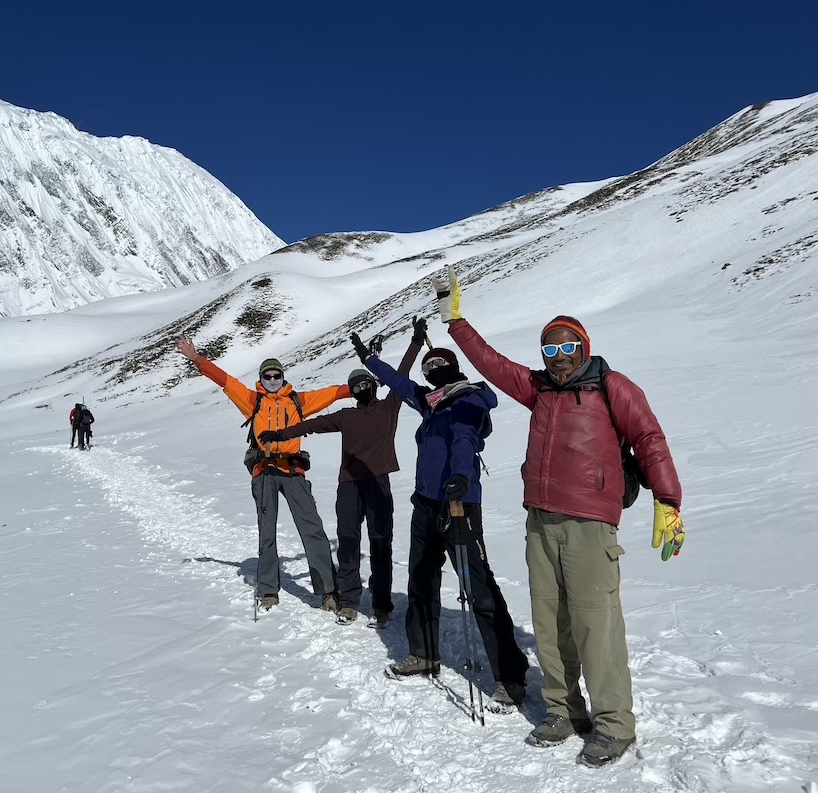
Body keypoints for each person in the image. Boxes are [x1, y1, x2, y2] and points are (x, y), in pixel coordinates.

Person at [440, 265, 684, 767]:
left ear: (583, 347)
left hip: (590, 524)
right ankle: (564, 710)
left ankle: (614, 723)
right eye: (548, 349)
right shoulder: (538, 390)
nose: (557, 356)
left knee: (597, 623)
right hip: (540, 521)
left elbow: (650, 440)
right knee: (550, 623)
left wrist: (669, 501)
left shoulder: (612, 386)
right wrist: (455, 322)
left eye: (566, 346)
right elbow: (490, 363)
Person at [350, 327, 530, 712]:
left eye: (437, 364)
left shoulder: (468, 400)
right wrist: (369, 361)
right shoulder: (431, 402)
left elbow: (465, 438)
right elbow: (399, 383)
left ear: (453, 368)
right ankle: (424, 653)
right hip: (427, 506)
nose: (430, 369)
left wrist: (461, 477)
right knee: (420, 579)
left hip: (459, 505)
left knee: (478, 587)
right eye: (428, 366)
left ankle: (511, 675)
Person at [256, 319, 425, 626]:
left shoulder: (389, 408)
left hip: (378, 484)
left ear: (373, 386)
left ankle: (382, 604)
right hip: (348, 486)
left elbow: (401, 374)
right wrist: (278, 435)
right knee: (347, 543)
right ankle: (349, 602)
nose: (361, 387)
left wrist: (415, 341)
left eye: (365, 382)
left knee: (380, 543)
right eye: (355, 384)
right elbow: (309, 425)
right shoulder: (346, 416)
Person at [176, 336, 349, 612]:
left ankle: (328, 590)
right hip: (264, 472)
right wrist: (197, 359)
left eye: (276, 375)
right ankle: (269, 591)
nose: (272, 379)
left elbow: (333, 393)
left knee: (312, 529)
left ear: (283, 376)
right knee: (267, 533)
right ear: (261, 378)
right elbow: (225, 381)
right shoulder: (252, 400)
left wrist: (360, 387)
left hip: (293, 471)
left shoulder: (298, 400)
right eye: (267, 376)